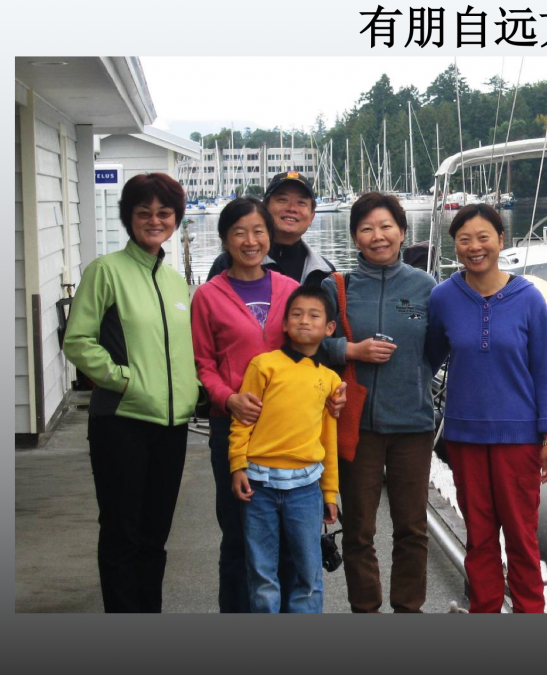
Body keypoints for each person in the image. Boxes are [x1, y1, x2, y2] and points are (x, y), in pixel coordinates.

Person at [64, 173, 199, 612]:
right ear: (129, 217)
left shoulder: (175, 282)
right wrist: (126, 380)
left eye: (164, 213)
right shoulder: (106, 271)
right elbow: (77, 341)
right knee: (122, 534)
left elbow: (184, 351)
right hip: (121, 422)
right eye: (144, 213)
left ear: (176, 218)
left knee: (155, 536)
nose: (155, 221)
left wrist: (193, 391)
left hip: (171, 425)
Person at [426, 203, 547, 613]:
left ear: (501, 241)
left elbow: (545, 370)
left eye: (483, 237)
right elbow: (426, 360)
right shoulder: (443, 297)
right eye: (464, 239)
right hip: (464, 438)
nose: (475, 247)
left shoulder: (528, 298)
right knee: (480, 539)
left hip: (519, 440)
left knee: (522, 539)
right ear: (455, 246)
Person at [319, 192, 437, 613]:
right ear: (355, 237)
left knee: (412, 528)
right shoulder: (338, 287)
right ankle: (365, 610)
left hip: (413, 424)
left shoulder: (425, 287)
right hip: (358, 425)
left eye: (387, 226)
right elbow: (309, 341)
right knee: (358, 529)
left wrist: (417, 377)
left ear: (402, 232)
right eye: (367, 228)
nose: (378, 236)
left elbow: (439, 346)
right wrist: (350, 350)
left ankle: (408, 609)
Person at [191, 197, 301, 612]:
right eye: (239, 232)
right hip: (233, 428)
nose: (250, 241)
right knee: (238, 535)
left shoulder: (289, 290)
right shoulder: (208, 296)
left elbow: (308, 352)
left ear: (270, 236)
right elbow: (203, 363)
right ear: (225, 239)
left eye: (258, 231)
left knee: (288, 537)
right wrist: (229, 398)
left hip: (287, 431)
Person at [228, 285, 341, 613]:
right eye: (296, 314)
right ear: (285, 324)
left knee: (309, 573)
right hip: (258, 485)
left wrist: (329, 492)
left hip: (306, 489)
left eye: (314, 315)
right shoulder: (263, 365)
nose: (304, 320)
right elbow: (243, 421)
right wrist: (237, 464)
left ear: (329, 328)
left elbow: (328, 440)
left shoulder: (330, 380)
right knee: (262, 572)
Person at [207, 171, 335, 286]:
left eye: (301, 202)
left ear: (312, 216)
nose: (291, 208)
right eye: (282, 200)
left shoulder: (325, 272)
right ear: (265, 209)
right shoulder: (230, 263)